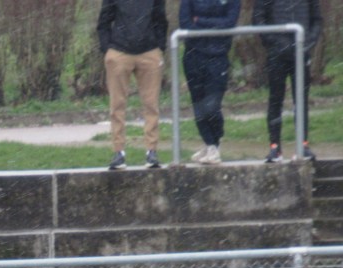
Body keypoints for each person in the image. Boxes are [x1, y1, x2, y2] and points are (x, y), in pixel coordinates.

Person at [97, 0, 169, 170]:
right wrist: (108, 50)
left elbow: (160, 19)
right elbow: (103, 22)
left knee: (151, 104)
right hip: (119, 52)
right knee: (117, 105)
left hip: (149, 52)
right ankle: (118, 152)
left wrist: (159, 47)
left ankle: (151, 151)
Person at [254, 0, 322, 162]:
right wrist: (274, 42)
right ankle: (275, 147)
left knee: (301, 100)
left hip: (301, 51)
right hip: (276, 54)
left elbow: (317, 20)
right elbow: (258, 19)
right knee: (275, 100)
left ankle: (303, 145)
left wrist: (308, 41)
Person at [180, 0, 241, 165]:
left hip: (218, 56)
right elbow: (185, 23)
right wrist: (213, 27)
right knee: (198, 104)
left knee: (213, 104)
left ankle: (215, 143)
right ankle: (209, 144)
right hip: (193, 55)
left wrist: (200, 21)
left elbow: (229, 22)